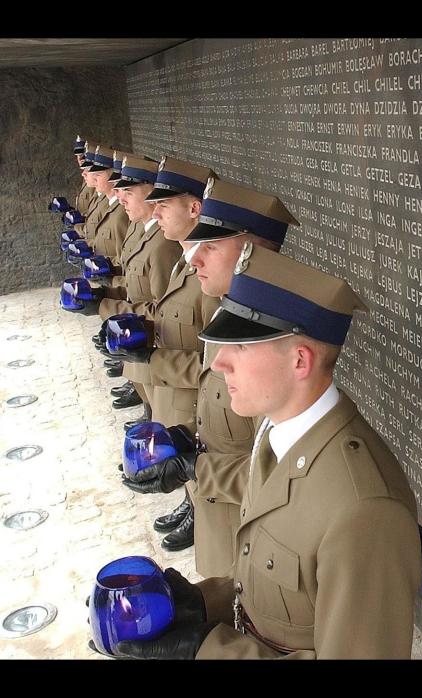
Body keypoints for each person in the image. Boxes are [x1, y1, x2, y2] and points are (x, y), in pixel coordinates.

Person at [112, 246, 421, 659]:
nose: (219, 363)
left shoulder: (364, 510)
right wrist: (206, 601)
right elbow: (268, 581)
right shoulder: (276, 433)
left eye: (239, 347)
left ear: (299, 361)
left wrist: (206, 651)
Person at [122, 178, 297, 578]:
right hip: (221, 523)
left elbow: (285, 475)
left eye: (212, 247)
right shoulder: (227, 314)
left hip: (253, 538)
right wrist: (184, 438)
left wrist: (196, 469)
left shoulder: (269, 345)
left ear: (250, 253)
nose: (194, 259)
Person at [110, 155, 220, 551]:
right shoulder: (186, 262)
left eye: (164, 204)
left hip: (192, 399)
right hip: (170, 391)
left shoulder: (207, 274)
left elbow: (215, 366)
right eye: (153, 203)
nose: (155, 212)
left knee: (201, 481)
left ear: (195, 208)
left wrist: (150, 360)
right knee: (185, 478)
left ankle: (196, 515)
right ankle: (189, 507)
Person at [97, 155, 181, 426]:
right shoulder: (143, 230)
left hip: (159, 348)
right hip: (142, 343)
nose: (120, 198)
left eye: (128, 191)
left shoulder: (163, 244)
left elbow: (162, 307)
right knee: (152, 408)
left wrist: (108, 306)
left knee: (160, 414)